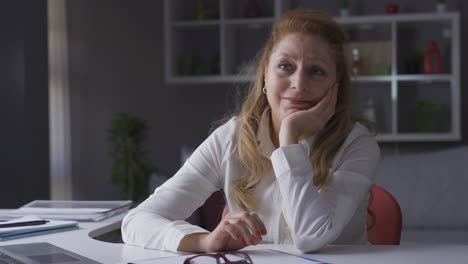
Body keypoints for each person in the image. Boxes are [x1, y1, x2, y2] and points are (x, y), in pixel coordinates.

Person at [121, 9, 380, 253]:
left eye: (316, 71)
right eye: (285, 66)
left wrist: (289, 138)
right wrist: (204, 240)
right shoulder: (231, 138)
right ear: (265, 74)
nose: (299, 84)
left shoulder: (358, 145)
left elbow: (311, 236)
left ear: (336, 87)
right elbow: (137, 221)